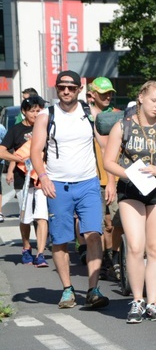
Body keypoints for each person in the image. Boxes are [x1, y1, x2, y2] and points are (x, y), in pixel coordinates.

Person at [103, 81, 156, 323]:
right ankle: (137, 300)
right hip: (131, 188)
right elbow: (109, 161)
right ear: (140, 98)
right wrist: (130, 175)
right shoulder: (122, 126)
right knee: (136, 247)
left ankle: (153, 303)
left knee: (155, 248)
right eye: (153, 101)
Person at [29, 71, 109, 309]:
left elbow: (106, 147)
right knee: (61, 240)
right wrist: (43, 177)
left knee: (94, 234)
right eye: (62, 87)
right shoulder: (46, 116)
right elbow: (35, 151)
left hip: (88, 184)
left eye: (71, 88)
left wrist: (112, 181)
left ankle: (93, 289)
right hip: (58, 186)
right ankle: (67, 290)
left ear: (79, 89)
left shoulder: (91, 114)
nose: (66, 91)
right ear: (56, 89)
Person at [0, 96, 49, 266]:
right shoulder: (16, 130)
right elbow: (1, 151)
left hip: (43, 178)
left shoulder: (46, 127)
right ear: (24, 112)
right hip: (23, 179)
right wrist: (18, 159)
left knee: (42, 216)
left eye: (38, 110)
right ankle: (26, 246)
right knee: (25, 217)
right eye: (32, 110)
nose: (36, 114)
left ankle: (41, 253)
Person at [88, 76, 121, 279]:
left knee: (116, 223)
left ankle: (115, 258)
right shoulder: (86, 117)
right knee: (99, 226)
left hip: (116, 177)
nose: (107, 97)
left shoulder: (118, 116)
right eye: (103, 94)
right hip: (93, 178)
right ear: (92, 95)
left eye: (109, 93)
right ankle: (101, 263)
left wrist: (112, 179)